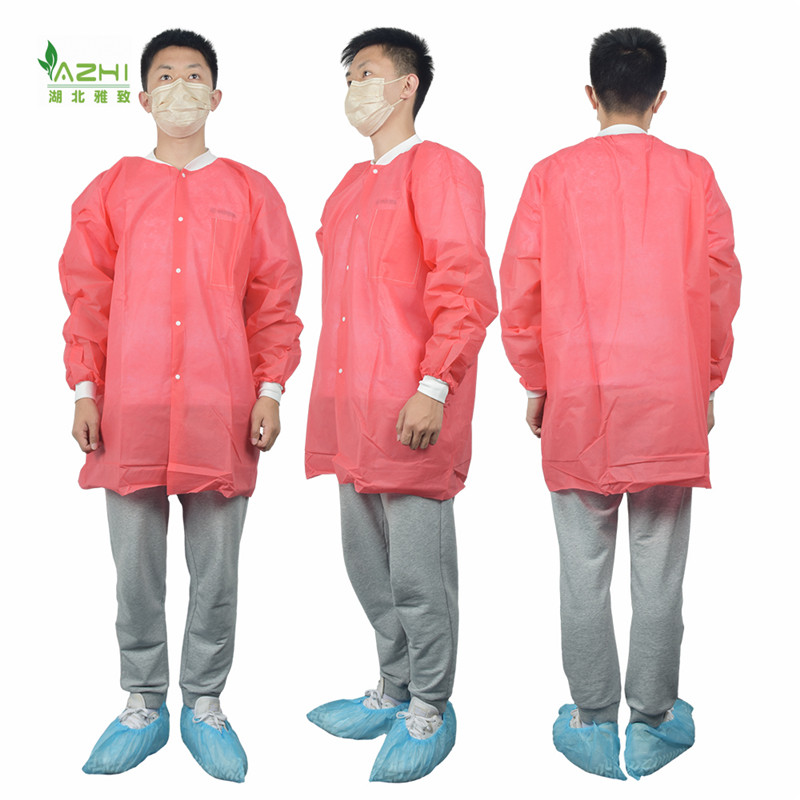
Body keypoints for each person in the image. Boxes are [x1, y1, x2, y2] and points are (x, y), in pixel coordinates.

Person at [59, 28, 302, 783]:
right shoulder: (110, 190)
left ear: (217, 95)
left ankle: (204, 701)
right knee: (135, 569)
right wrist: (85, 389)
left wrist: (270, 388)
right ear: (142, 97)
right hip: (129, 405)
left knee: (216, 569)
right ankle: (142, 701)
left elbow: (274, 300)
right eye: (164, 76)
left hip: (218, 404)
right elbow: (87, 297)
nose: (180, 88)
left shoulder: (251, 192)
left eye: (194, 75)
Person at [500, 27, 740, 781]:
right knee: (659, 571)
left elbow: (522, 286)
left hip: (580, 396)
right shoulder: (694, 175)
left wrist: (536, 381)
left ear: (591, 95)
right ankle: (655, 719)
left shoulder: (552, 176)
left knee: (582, 567)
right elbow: (720, 285)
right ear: (659, 99)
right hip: (668, 398)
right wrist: (704, 382)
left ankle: (592, 716)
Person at [304, 27, 497, 783]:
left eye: (367, 73)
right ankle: (392, 687)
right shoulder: (348, 187)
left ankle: (430, 706)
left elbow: (463, 287)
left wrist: (435, 384)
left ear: (407, 84)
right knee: (367, 566)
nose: (355, 87)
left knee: (419, 576)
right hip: (349, 404)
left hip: (411, 402)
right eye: (350, 75)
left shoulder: (441, 170)